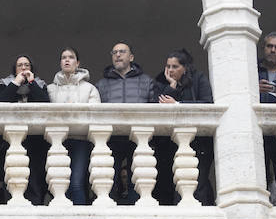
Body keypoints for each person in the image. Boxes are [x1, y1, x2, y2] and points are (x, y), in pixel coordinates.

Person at [148, 48, 214, 205]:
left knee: (198, 181)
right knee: (174, 183)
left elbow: (207, 104)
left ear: (185, 68)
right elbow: (158, 109)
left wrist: (177, 104)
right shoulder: (161, 82)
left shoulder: (198, 79)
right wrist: (172, 86)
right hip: (170, 144)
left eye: (175, 66)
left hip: (199, 141)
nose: (170, 70)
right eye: (168, 66)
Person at [97, 42, 156, 203]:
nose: (117, 55)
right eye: (114, 52)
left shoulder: (146, 81)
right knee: (109, 177)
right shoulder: (102, 84)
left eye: (122, 52)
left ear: (131, 57)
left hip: (138, 137)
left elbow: (154, 108)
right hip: (111, 138)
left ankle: (136, 209)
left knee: (137, 178)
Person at [0, 54, 52, 204]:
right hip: (10, 140)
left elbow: (45, 103)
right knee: (13, 177)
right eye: (20, 65)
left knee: (35, 178)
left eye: (27, 65)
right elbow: (0, 102)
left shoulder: (40, 85)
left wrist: (31, 82)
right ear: (15, 69)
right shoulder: (3, 84)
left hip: (35, 142)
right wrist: (16, 83)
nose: (24, 68)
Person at [47, 48, 101, 205]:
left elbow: (96, 115)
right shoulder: (50, 89)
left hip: (81, 141)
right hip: (57, 142)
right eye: (64, 57)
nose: (67, 60)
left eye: (71, 57)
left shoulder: (89, 88)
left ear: (77, 63)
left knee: (76, 183)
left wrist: (75, 108)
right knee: (58, 186)